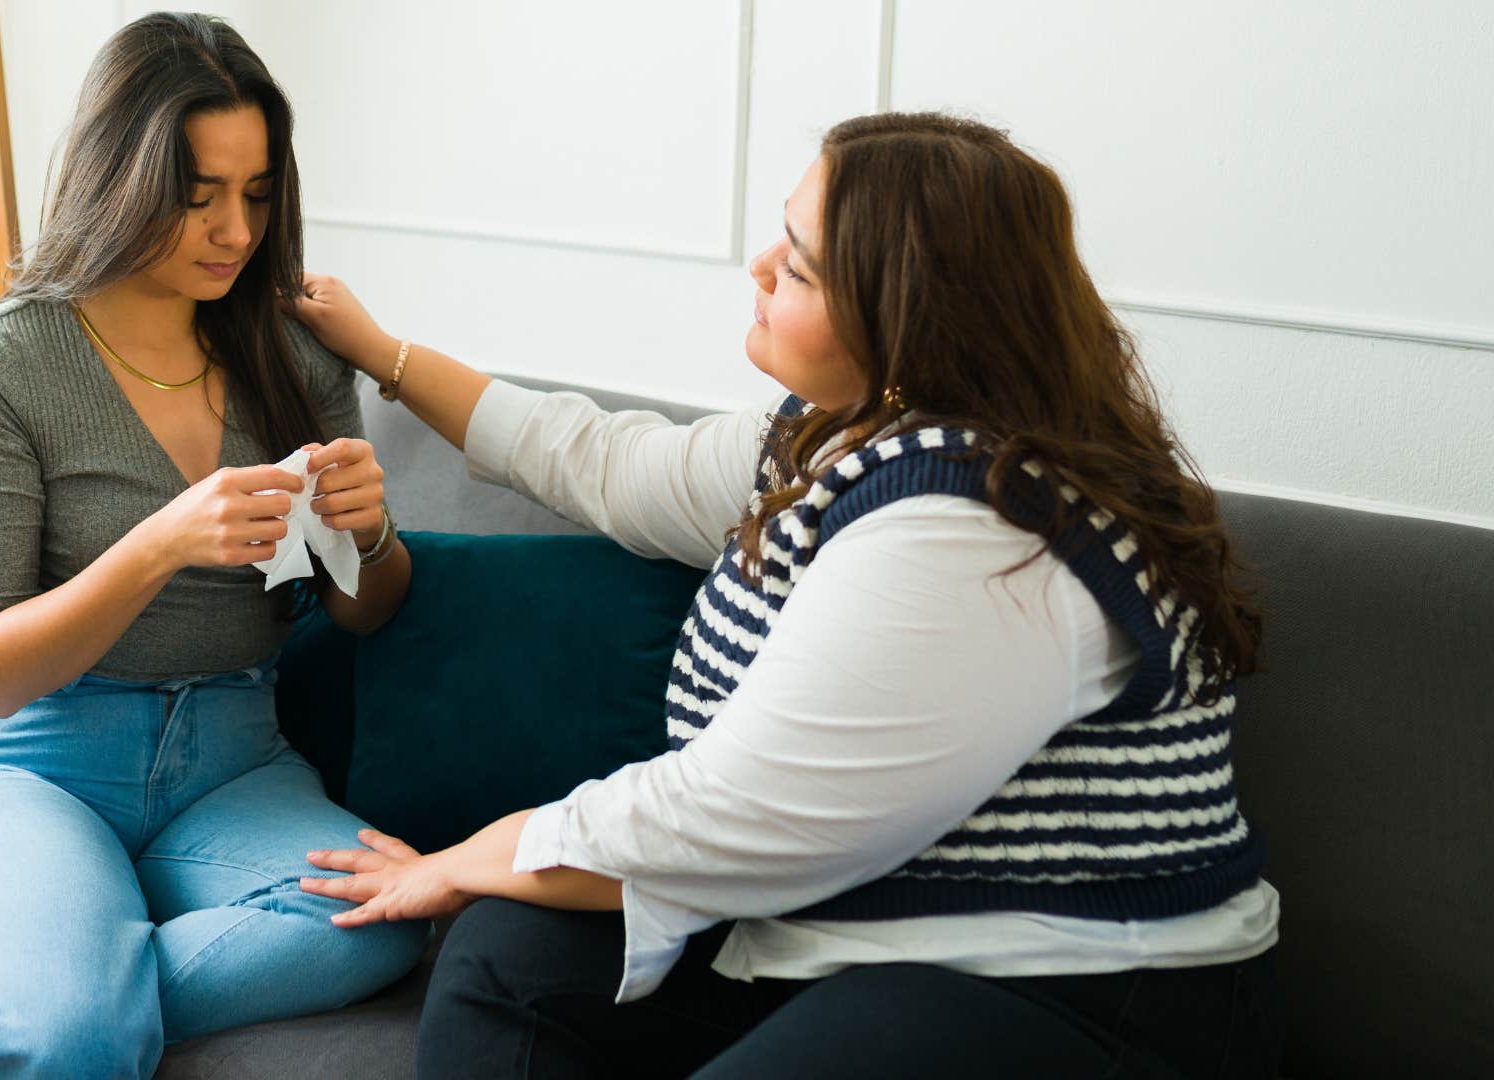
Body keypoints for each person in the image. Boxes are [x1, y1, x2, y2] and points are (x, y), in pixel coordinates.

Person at [289, 112, 1284, 1078]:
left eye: (800, 265)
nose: (760, 264)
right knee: (511, 960)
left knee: (502, 900)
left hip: (1064, 976)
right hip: (838, 924)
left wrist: (463, 858)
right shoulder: (834, 438)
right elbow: (600, 460)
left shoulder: (980, 525)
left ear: (908, 321)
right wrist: (384, 354)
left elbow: (735, 816)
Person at [0, 14, 426, 1079]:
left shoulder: (291, 349)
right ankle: (42, 1001)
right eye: (198, 193)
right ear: (119, 177)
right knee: (65, 1028)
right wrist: (160, 543)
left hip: (235, 759)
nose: (235, 230)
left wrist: (371, 530)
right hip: (32, 761)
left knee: (386, 915)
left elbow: (366, 609)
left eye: (257, 194)